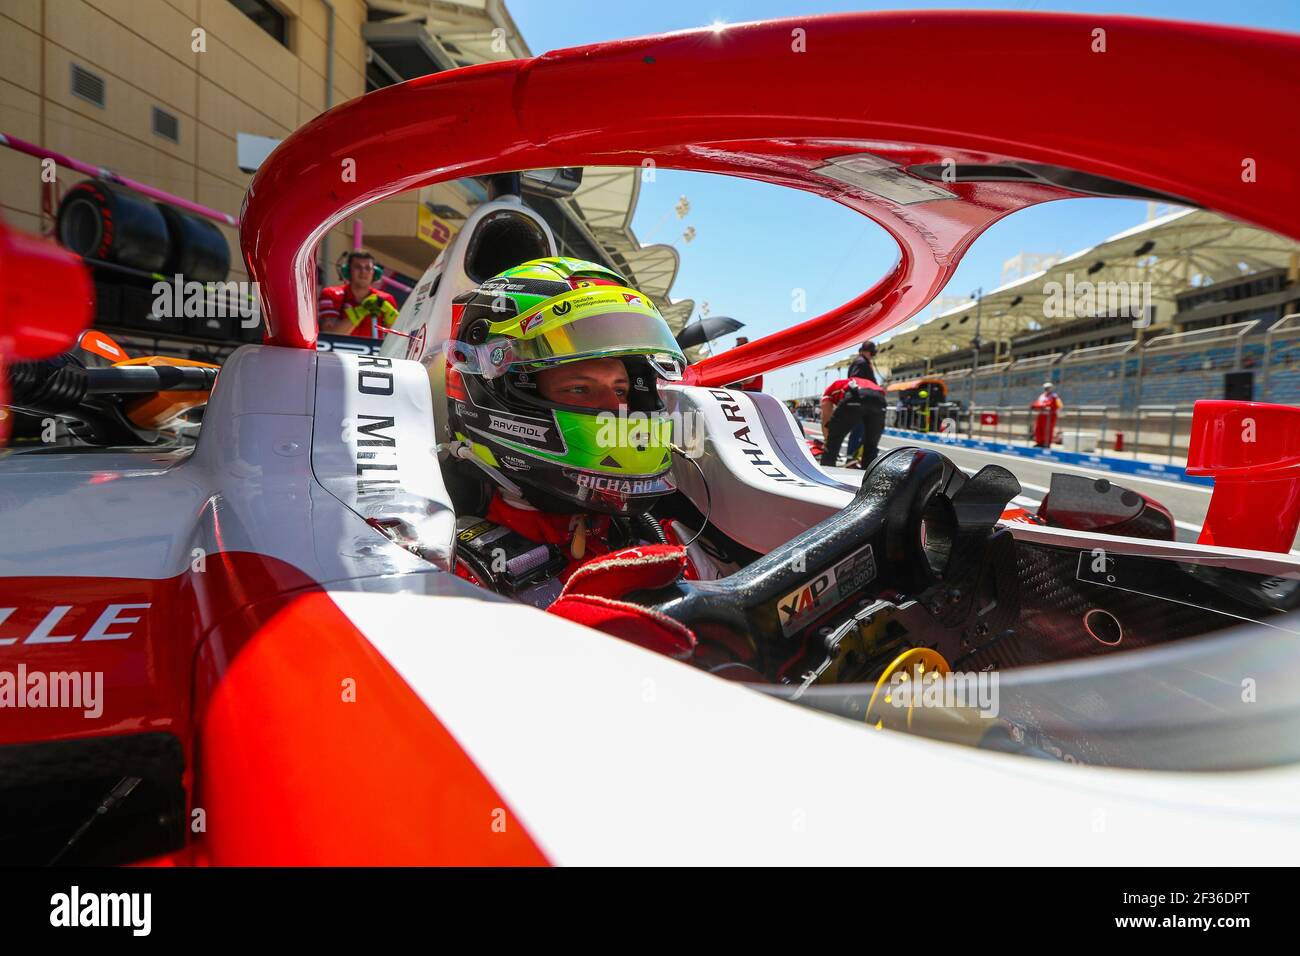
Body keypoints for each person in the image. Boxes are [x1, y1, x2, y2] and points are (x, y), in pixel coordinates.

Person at [443, 256, 715, 607]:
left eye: (621, 391)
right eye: (579, 389)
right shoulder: (447, 562)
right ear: (497, 392)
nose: (616, 411)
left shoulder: (659, 529)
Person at [318, 250, 400, 338]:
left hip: (375, 351)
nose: (363, 271)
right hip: (339, 351)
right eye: (358, 267)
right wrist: (361, 310)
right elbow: (330, 334)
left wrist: (392, 316)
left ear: (375, 272)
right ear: (348, 271)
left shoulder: (386, 299)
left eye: (368, 268)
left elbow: (398, 338)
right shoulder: (331, 294)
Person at [819, 369, 886, 467]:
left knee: (833, 440)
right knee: (871, 445)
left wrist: (827, 440)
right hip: (880, 398)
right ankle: (866, 475)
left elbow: (826, 417)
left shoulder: (831, 389)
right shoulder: (869, 383)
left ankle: (825, 473)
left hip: (856, 394)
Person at [844, 341, 880, 459]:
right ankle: (852, 455)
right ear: (869, 351)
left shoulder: (861, 362)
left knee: (861, 430)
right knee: (859, 430)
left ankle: (855, 455)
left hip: (861, 402)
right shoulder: (861, 363)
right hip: (861, 402)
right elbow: (856, 381)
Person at [1031, 381, 1063, 447]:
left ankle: (1047, 443)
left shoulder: (1054, 396)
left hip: (1049, 415)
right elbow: (1038, 403)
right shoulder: (1042, 396)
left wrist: (1045, 406)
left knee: (1047, 429)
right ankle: (1039, 442)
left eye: (1048, 388)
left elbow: (1057, 405)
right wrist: (1035, 406)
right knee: (1039, 428)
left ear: (1051, 388)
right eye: (1045, 388)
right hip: (1041, 414)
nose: (1046, 389)